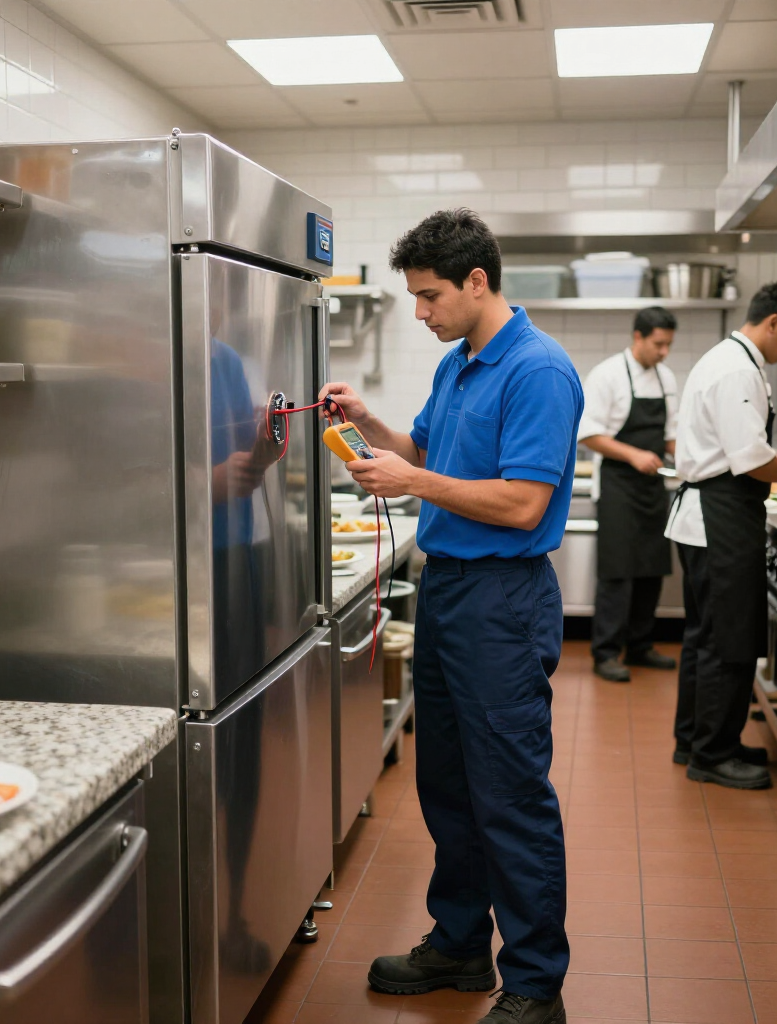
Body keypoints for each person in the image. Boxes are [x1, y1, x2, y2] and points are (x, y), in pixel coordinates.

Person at [319, 208, 581, 1024]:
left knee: (509, 792)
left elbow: (521, 500)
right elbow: (427, 454)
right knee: (450, 786)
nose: (421, 312)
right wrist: (367, 427)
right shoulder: (460, 362)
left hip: (503, 600)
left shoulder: (538, 370)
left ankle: (536, 984)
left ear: (478, 281)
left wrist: (414, 485)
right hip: (450, 592)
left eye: (430, 297)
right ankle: (461, 942)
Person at [665, 282, 777, 789]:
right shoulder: (738, 367)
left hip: (707, 518)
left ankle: (694, 740)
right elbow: (751, 457)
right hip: (719, 521)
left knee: (703, 640)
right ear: (774, 323)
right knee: (728, 641)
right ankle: (712, 756)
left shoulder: (727, 359)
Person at [579, 306, 679, 683]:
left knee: (651, 569)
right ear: (638, 337)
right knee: (617, 573)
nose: (664, 352)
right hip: (618, 486)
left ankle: (640, 646)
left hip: (652, 486)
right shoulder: (608, 374)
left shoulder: (665, 376)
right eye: (658, 344)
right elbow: (588, 434)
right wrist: (634, 454)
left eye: (669, 345)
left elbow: (669, 435)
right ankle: (605, 652)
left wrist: (688, 455)